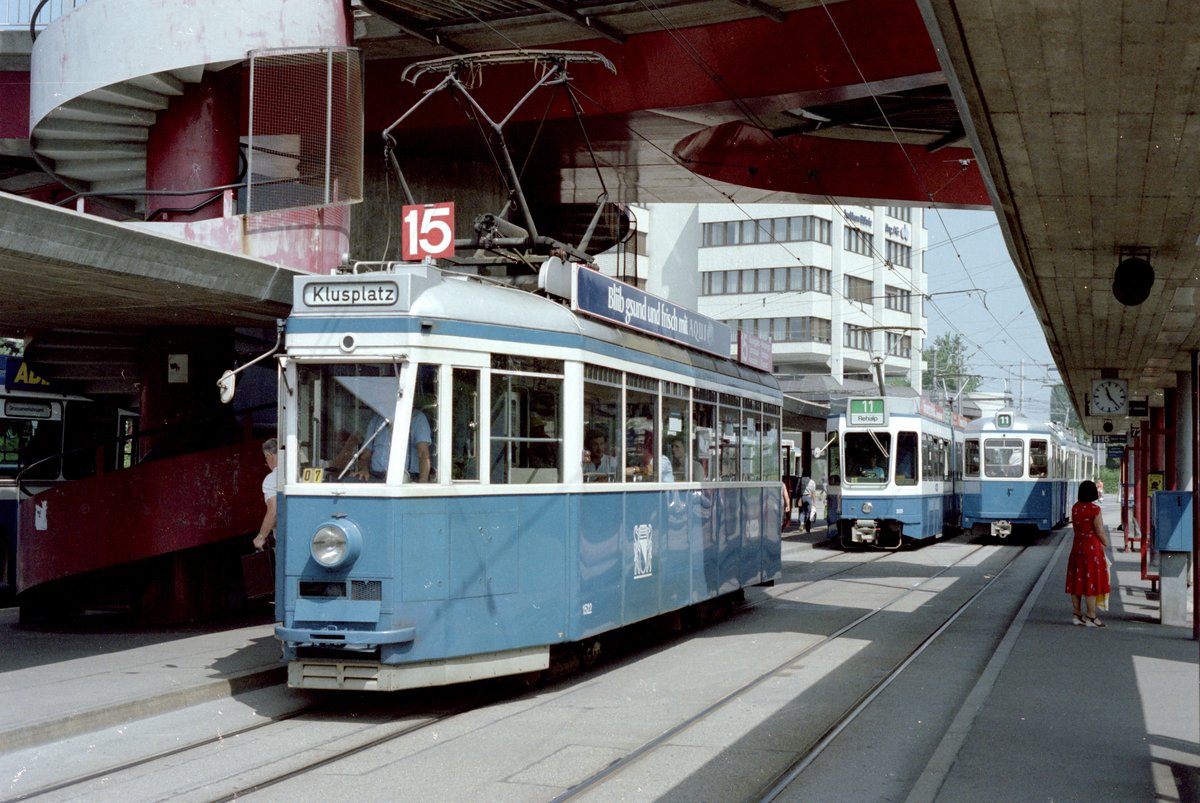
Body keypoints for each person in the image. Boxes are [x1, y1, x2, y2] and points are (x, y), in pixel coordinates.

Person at [1066, 480, 1111, 627]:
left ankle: (1077, 614)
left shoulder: (1075, 508)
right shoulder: (1095, 509)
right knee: (1090, 581)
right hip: (1092, 548)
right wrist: (1106, 543)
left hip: (1077, 547)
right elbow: (1099, 531)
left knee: (1077, 580)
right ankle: (1091, 616)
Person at [357, 408, 432, 482]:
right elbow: (365, 455)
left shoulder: (417, 418)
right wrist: (364, 470)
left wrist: (422, 482)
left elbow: (423, 453)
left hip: (406, 478)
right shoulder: (376, 420)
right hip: (375, 477)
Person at [253, 438, 278, 551]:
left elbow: (273, 511)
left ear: (270, 456)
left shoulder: (271, 479)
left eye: (266, 458)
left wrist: (261, 537)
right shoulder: (303, 471)